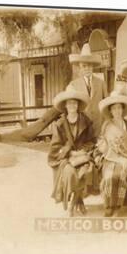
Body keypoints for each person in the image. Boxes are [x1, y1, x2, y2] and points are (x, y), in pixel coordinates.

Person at [48, 88, 96, 217]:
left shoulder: (86, 121)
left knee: (85, 173)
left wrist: (83, 151)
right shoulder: (60, 124)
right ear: (65, 106)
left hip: (83, 156)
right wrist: (69, 153)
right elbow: (55, 146)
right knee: (69, 173)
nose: (72, 106)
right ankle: (77, 202)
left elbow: (92, 140)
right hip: (67, 158)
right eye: (69, 103)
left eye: (74, 103)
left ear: (78, 105)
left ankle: (74, 204)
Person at [94, 91, 127, 217]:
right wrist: (103, 148)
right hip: (110, 158)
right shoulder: (107, 125)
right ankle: (109, 205)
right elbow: (102, 142)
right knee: (110, 176)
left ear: (123, 109)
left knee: (122, 174)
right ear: (110, 111)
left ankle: (118, 204)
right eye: (114, 108)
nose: (117, 111)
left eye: (119, 107)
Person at [68, 43, 108, 134]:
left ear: (93, 66)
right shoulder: (74, 85)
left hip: (99, 125)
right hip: (82, 127)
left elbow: (106, 105)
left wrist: (106, 124)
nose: (87, 68)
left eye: (89, 66)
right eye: (84, 66)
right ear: (80, 67)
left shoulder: (101, 83)